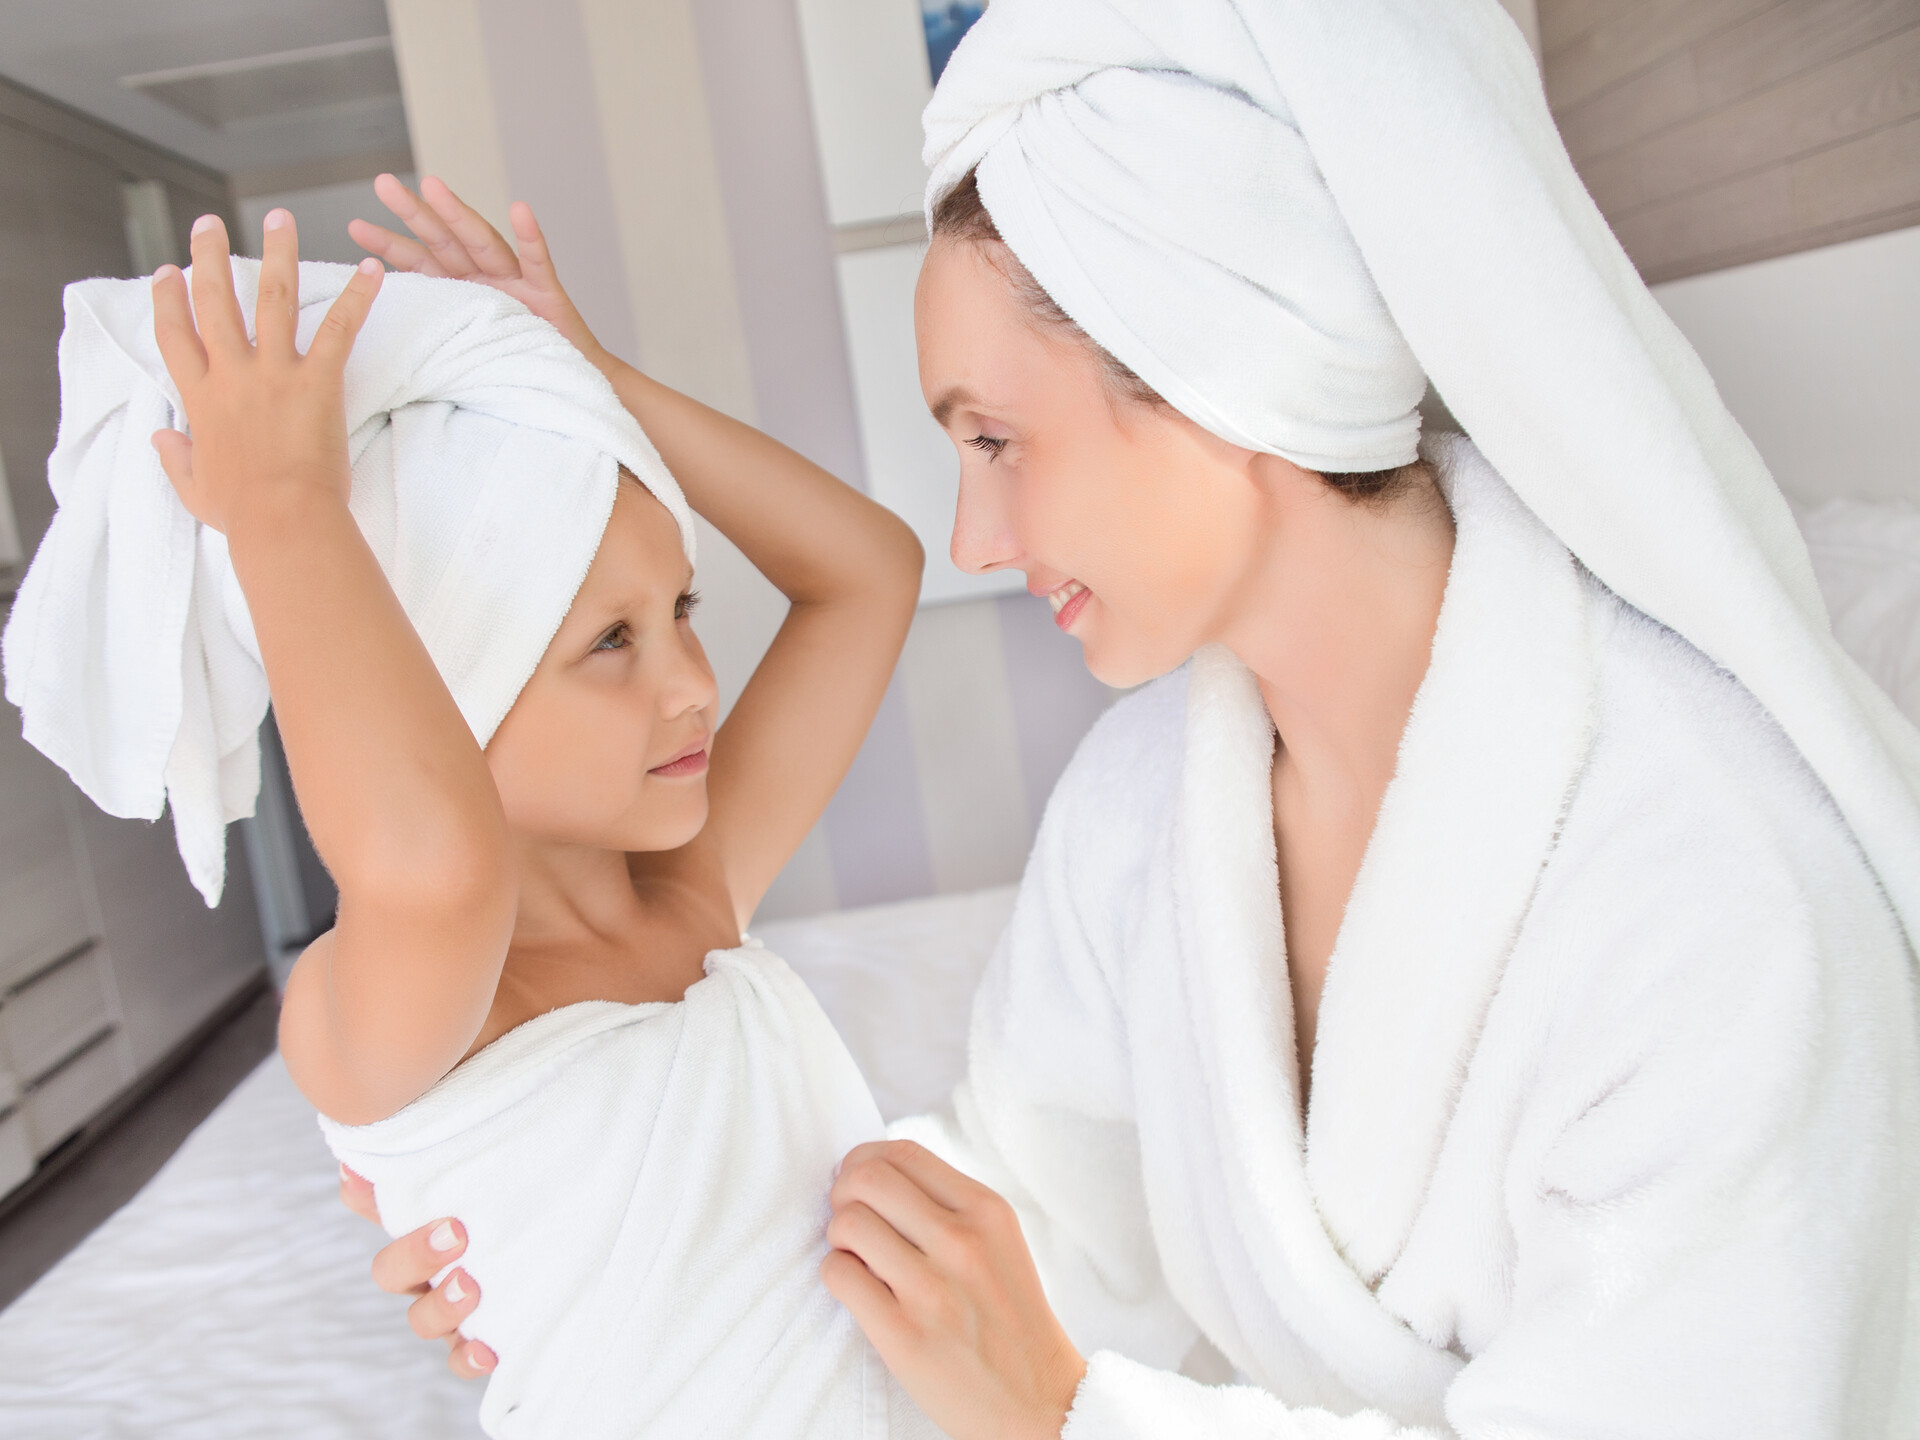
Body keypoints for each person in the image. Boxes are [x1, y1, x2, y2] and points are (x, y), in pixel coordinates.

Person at [351, 1, 1920, 1436]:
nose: (971, 538)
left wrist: (1062, 1414)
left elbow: (1038, 1363)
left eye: (994, 440)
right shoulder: (1143, 804)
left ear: (1216, 370)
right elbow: (1028, 1207)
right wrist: (606, 1225)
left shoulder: (1715, 907)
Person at [21, 204, 940, 1437]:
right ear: (449, 695)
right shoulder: (403, 1011)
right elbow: (432, 865)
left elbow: (870, 574)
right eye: (609, 642)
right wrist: (285, 511)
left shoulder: (694, 899)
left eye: (682, 609)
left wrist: (592, 379)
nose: (694, 684)